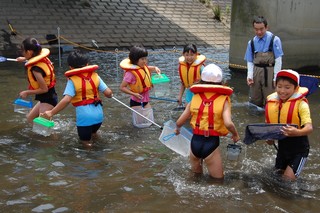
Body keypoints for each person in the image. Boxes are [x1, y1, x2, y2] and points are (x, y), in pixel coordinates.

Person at [175, 64, 240, 179]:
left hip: (195, 143)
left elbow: (180, 121)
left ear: (202, 80)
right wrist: (235, 134)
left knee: (196, 178)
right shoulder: (224, 99)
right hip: (211, 143)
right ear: (220, 83)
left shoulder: (195, 97)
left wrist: (177, 129)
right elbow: (228, 123)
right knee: (218, 181)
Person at [41, 50, 113, 148]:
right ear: (87, 64)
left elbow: (66, 100)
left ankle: (92, 159)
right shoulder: (95, 76)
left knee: (85, 142)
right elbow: (108, 93)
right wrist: (109, 94)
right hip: (99, 115)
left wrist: (51, 112)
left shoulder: (72, 80)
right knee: (94, 134)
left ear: (70, 67)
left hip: (85, 118)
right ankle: (101, 149)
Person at [265, 69, 313, 181]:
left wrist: (298, 132)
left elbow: (309, 128)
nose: (282, 91)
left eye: (287, 87)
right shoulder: (272, 104)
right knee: (277, 178)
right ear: (275, 86)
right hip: (282, 148)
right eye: (279, 86)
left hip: (299, 150)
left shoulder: (301, 104)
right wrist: (269, 138)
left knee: (287, 180)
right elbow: (269, 127)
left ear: (295, 88)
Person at [244, 16, 284, 107]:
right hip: (256, 71)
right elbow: (250, 61)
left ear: (266, 27)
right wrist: (249, 75)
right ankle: (255, 118)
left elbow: (278, 60)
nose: (259, 32)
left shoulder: (275, 40)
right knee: (254, 100)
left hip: (269, 71)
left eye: (261, 29)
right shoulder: (251, 42)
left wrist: (276, 77)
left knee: (270, 98)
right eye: (256, 29)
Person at [16, 37, 58, 124]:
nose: (22, 53)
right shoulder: (41, 57)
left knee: (44, 126)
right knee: (30, 119)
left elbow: (44, 89)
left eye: (23, 51)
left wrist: (27, 92)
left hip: (48, 98)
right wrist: (23, 59)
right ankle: (36, 135)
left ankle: (55, 137)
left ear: (29, 52)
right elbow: (33, 58)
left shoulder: (36, 70)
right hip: (46, 97)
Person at [119, 45, 161, 127]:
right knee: (139, 125)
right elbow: (122, 87)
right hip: (136, 101)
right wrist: (134, 94)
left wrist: (155, 68)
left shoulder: (143, 67)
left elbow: (149, 68)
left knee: (150, 123)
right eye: (142, 59)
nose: (145, 61)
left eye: (145, 58)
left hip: (145, 100)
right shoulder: (130, 74)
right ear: (135, 60)